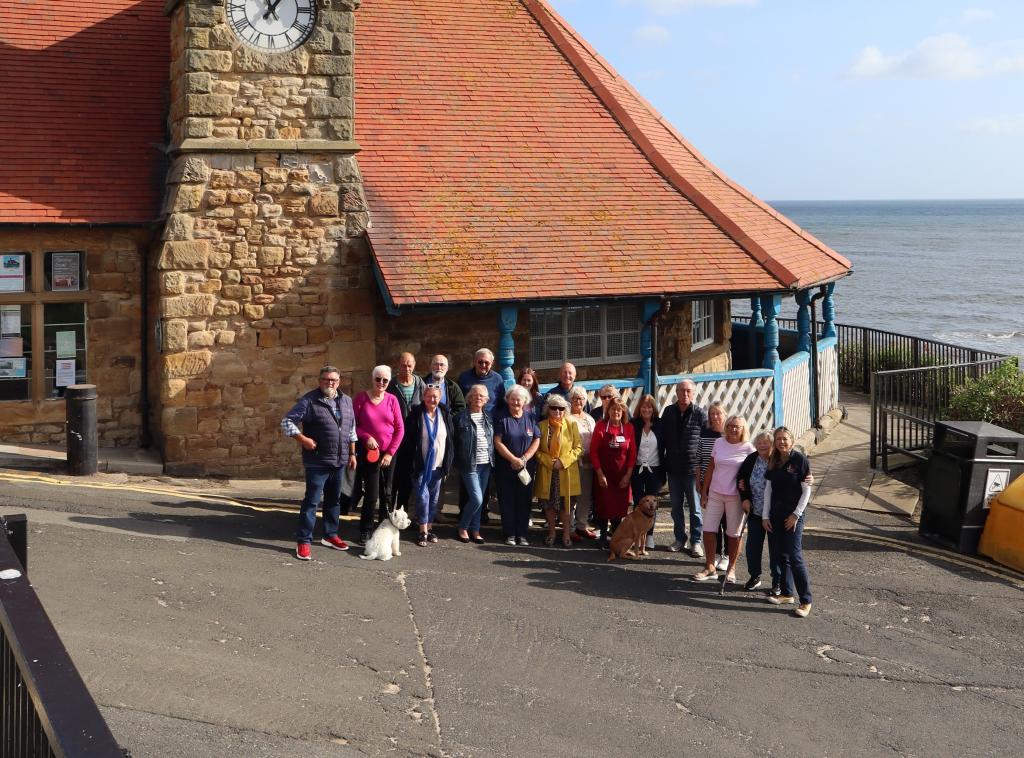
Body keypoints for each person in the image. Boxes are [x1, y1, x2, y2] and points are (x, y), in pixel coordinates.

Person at [281, 365, 357, 560]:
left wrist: (352, 454)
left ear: (339, 382)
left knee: (334, 501)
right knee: (312, 502)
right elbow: (287, 422)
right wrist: (303, 439)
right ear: (319, 380)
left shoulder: (347, 401)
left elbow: (351, 430)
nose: (329, 383)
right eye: (326, 379)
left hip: (339, 461)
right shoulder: (309, 400)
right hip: (317, 461)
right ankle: (304, 541)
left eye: (333, 380)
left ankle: (330, 535)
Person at [694, 415, 755, 584]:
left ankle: (731, 569)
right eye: (730, 426)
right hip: (715, 493)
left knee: (734, 534)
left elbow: (754, 470)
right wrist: (704, 492)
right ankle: (710, 567)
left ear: (743, 429)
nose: (733, 429)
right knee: (708, 530)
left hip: (735, 497)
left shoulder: (748, 448)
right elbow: (711, 467)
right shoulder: (719, 443)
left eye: (737, 426)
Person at [763, 426, 814, 617]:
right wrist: (765, 516)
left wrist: (796, 515)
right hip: (774, 514)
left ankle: (806, 600)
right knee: (780, 555)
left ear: (792, 441)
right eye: (778, 439)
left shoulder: (799, 460)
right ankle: (786, 593)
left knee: (794, 556)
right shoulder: (773, 460)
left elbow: (806, 490)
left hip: (793, 515)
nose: (781, 442)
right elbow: (768, 490)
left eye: (785, 439)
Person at [353, 366, 405, 546]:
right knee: (372, 494)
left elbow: (400, 429)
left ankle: (384, 530)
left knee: (388, 493)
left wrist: (390, 453)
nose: (381, 383)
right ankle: (366, 530)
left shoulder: (392, 400)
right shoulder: (361, 398)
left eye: (385, 380)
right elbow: (353, 425)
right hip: (370, 453)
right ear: (372, 378)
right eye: (378, 379)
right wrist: (366, 437)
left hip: (389, 453)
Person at [659, 379, 708, 557]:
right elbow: (662, 440)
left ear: (693, 393)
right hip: (673, 470)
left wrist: (702, 470)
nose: (685, 394)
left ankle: (696, 541)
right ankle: (680, 538)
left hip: (692, 471)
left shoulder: (700, 414)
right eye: (681, 391)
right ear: (676, 393)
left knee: (695, 509)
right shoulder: (669, 412)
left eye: (688, 391)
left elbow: (704, 443)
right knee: (676, 508)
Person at [403, 385, 454, 547]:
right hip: (420, 465)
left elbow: (450, 440)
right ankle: (422, 531)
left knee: (434, 499)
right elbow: (409, 440)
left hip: (438, 465)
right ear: (424, 397)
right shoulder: (416, 414)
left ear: (440, 399)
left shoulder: (444, 413)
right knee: (423, 497)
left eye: (435, 397)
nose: (432, 400)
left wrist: (448, 464)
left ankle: (430, 528)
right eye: (429, 396)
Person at [494, 384, 541, 546]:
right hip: (505, 467)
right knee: (507, 501)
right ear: (508, 400)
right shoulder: (502, 417)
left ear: (524, 401)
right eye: (512, 399)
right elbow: (497, 441)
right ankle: (510, 534)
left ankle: (522, 534)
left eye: (518, 400)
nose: (515, 403)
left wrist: (524, 458)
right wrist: (513, 459)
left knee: (524, 500)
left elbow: (536, 439)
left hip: (526, 468)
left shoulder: (531, 417)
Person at [534, 394, 583, 547]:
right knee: (549, 505)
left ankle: (567, 533)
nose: (557, 411)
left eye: (561, 408)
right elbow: (536, 450)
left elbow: (578, 448)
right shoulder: (541, 426)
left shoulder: (572, 425)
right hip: (548, 471)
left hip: (566, 471)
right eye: (554, 408)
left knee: (566, 505)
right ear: (548, 409)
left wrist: (563, 461)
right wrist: (549, 462)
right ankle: (552, 532)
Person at [590, 397, 637, 549]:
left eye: (619, 409)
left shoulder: (629, 428)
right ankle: (603, 536)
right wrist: (599, 473)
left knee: (618, 508)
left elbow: (632, 454)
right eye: (613, 409)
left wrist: (628, 475)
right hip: (604, 474)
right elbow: (594, 451)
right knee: (603, 506)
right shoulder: (601, 426)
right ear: (608, 410)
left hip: (622, 476)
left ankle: (616, 537)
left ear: (623, 411)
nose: (616, 412)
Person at [737, 431, 778, 592]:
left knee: (776, 548)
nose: (762, 445)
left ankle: (777, 581)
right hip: (755, 511)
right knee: (753, 546)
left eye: (766, 442)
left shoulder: (778, 460)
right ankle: (754, 576)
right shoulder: (751, 459)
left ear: (772, 444)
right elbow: (740, 479)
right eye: (759, 442)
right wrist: (745, 498)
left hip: (774, 513)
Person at [453, 384, 494, 544]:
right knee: (476, 498)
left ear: (486, 400)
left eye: (482, 396)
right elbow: (454, 441)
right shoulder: (460, 417)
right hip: (469, 464)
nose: (478, 398)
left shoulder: (489, 417)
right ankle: (463, 527)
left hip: (486, 463)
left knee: (481, 498)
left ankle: (475, 529)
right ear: (469, 398)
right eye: (475, 395)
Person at [387, 352, 427, 512]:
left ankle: (401, 511)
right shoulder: (391, 385)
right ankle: (388, 512)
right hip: (394, 438)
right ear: (398, 365)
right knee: (392, 478)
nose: (407, 368)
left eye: (410, 365)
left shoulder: (420, 383)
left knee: (407, 478)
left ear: (414, 366)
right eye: (403, 365)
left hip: (412, 439)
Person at [697, 401, 729, 571]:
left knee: (726, 522)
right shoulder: (705, 431)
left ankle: (726, 555)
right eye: (712, 414)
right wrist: (699, 482)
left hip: (727, 485)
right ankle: (716, 555)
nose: (715, 417)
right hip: (708, 484)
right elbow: (699, 458)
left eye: (718, 413)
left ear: (725, 414)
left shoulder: (729, 433)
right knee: (713, 522)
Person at [631, 393, 665, 551]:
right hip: (637, 469)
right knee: (638, 502)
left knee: (652, 504)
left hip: (655, 469)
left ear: (653, 408)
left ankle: (649, 535)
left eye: (649, 406)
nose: (646, 409)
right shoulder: (634, 424)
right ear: (640, 408)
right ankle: (636, 535)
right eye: (644, 406)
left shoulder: (660, 424)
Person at [568, 385, 598, 540]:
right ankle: (570, 527)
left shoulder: (590, 418)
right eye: (575, 398)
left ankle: (581, 525)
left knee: (585, 496)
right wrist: (580, 456)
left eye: (581, 398)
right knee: (571, 496)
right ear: (570, 400)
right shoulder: (567, 418)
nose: (578, 401)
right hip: (573, 462)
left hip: (590, 463)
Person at [457, 348, 505, 417]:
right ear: (474, 362)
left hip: (491, 421)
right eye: (480, 362)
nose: (483, 365)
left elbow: (502, 404)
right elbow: (459, 402)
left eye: (487, 362)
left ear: (492, 363)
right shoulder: (464, 377)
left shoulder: (498, 379)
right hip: (469, 420)